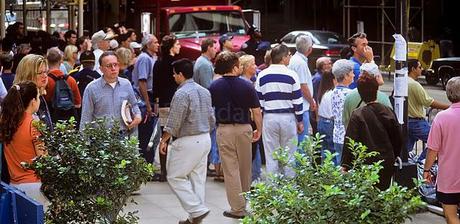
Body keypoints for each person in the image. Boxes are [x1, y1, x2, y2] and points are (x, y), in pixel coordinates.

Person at [159, 58, 215, 224]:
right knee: (197, 179)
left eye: (175, 74)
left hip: (188, 140)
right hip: (205, 138)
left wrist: (164, 140)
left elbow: (174, 121)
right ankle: (194, 217)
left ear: (181, 74)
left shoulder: (182, 93)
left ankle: (197, 210)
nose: (174, 77)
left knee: (175, 177)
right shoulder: (205, 91)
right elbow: (212, 118)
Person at [210, 51, 262, 219]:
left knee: (230, 169)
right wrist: (259, 129)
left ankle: (236, 208)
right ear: (234, 67)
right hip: (244, 128)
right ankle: (243, 204)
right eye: (239, 65)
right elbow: (256, 111)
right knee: (245, 167)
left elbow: (210, 109)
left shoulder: (215, 86)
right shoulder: (247, 85)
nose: (241, 67)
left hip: (224, 129)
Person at [342, 74, 402, 190]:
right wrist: (394, 155)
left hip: (365, 162)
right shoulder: (388, 111)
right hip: (386, 161)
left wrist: (346, 165)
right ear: (376, 89)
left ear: (360, 93)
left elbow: (350, 141)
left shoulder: (358, 114)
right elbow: (398, 137)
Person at [255, 44, 303, 177]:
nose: (290, 57)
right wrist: (300, 120)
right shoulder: (292, 75)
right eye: (289, 55)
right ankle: (290, 190)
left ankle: (272, 189)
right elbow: (297, 101)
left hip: (269, 117)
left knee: (271, 156)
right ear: (283, 57)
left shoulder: (262, 75)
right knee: (289, 155)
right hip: (288, 117)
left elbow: (259, 102)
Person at [0, 81, 48, 206]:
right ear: (33, 101)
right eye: (38, 97)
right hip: (35, 187)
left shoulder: (6, 122)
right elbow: (44, 159)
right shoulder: (34, 125)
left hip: (13, 186)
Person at [424, 77, 460, 224]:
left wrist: (427, 170)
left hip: (449, 178)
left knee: (451, 215)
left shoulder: (442, 117)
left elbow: (433, 149)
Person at [79, 51, 141, 136]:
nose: (113, 68)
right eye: (109, 66)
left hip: (124, 136)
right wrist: (85, 143)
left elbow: (134, 105)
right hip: (101, 138)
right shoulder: (91, 88)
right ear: (101, 69)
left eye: (115, 64)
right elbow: (86, 117)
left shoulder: (126, 84)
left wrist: (138, 116)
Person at [407, 59, 449, 162]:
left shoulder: (403, 82)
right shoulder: (414, 85)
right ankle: (421, 162)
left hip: (407, 121)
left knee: (406, 150)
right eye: (420, 67)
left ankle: (407, 166)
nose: (422, 69)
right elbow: (428, 102)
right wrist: (449, 107)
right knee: (438, 140)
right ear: (413, 69)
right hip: (417, 122)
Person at [153, 34, 181, 181]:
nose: (179, 46)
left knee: (164, 138)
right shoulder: (176, 64)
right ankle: (176, 169)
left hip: (163, 103)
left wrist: (156, 102)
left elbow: (156, 86)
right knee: (177, 137)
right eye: (177, 44)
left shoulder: (158, 63)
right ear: (171, 46)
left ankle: (163, 171)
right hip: (175, 102)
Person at [131, 33, 159, 166]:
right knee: (145, 134)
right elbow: (142, 82)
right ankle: (144, 164)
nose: (157, 45)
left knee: (150, 133)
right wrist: (148, 105)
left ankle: (147, 162)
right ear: (148, 45)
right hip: (143, 98)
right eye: (155, 42)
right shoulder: (144, 59)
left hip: (149, 97)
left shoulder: (150, 58)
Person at [342, 63, 392, 128]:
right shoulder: (383, 98)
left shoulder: (349, 96)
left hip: (355, 135)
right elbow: (390, 121)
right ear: (376, 77)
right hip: (376, 136)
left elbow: (346, 120)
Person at [288, 35, 316, 143]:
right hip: (302, 106)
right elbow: (303, 86)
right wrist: (311, 101)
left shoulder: (295, 60)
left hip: (298, 106)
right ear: (310, 49)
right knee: (302, 143)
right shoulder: (300, 63)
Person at [13, 54, 53, 131]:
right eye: (40, 73)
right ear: (27, 75)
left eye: (45, 72)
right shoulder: (20, 100)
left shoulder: (39, 95)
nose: (45, 76)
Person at [239, 54, 263, 181]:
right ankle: (252, 177)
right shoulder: (245, 83)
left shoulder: (250, 81)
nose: (256, 66)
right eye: (253, 64)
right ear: (247, 67)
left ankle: (254, 175)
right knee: (250, 151)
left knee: (254, 149)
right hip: (249, 120)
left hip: (250, 120)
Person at [44, 47, 81, 123]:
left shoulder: (45, 81)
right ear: (61, 62)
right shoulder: (71, 80)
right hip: (69, 121)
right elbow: (78, 104)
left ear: (47, 61)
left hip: (50, 120)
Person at [330, 59, 355, 165]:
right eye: (351, 73)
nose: (353, 75)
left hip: (337, 134)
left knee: (340, 165)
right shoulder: (351, 94)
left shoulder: (333, 92)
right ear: (345, 76)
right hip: (348, 135)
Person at [316, 71, 336, 161]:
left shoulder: (322, 93)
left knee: (324, 150)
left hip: (322, 121)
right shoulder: (332, 93)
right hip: (329, 122)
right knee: (332, 151)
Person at [310, 57, 332, 134]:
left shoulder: (323, 77)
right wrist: (317, 116)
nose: (330, 65)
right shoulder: (318, 79)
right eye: (328, 64)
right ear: (323, 66)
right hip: (318, 114)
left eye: (330, 63)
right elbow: (316, 97)